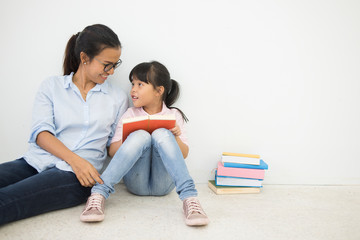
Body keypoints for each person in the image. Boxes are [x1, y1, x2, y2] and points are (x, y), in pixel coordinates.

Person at [0, 24, 128, 225]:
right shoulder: (52, 86)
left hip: (77, 178)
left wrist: (138, 135)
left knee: (5, 201)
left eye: (115, 64)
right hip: (35, 162)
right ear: (84, 58)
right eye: (106, 64)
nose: (111, 71)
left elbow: (113, 148)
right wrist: (76, 160)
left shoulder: (117, 97)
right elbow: (41, 134)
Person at [80, 61, 210, 226]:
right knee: (140, 135)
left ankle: (190, 198)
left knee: (161, 133)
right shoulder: (130, 114)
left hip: (164, 184)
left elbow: (184, 154)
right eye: (132, 84)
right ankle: (98, 194)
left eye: (140, 84)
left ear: (159, 90)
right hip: (136, 183)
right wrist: (130, 136)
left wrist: (175, 136)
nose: (133, 90)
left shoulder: (174, 114)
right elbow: (113, 152)